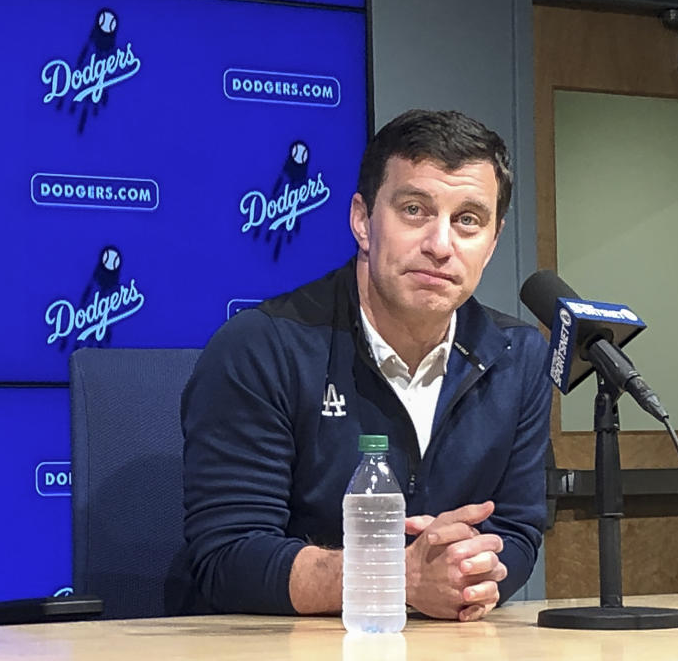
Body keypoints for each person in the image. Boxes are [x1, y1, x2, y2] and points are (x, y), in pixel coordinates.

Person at [182, 109, 551, 622]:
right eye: (415, 210)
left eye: (468, 220)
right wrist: (399, 577)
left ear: (491, 243)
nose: (441, 245)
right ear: (362, 221)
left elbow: (517, 532)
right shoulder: (261, 347)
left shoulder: (519, 356)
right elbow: (229, 558)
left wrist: (468, 576)